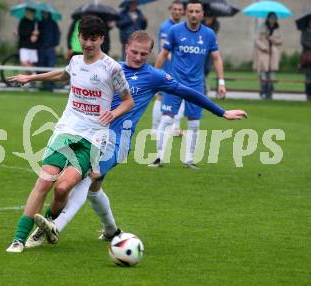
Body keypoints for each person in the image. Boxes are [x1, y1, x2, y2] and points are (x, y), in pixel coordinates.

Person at [25, 31, 247, 247]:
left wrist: (221, 112)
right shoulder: (110, 67)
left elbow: (186, 91)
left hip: (117, 141)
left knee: (87, 179)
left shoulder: (154, 76)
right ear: (126, 49)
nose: (138, 57)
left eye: (143, 54)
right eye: (134, 52)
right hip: (90, 135)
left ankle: (54, 226)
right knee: (95, 189)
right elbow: (71, 76)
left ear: (150, 54)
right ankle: (112, 230)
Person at [5, 16, 134, 253]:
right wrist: (30, 77)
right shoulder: (75, 61)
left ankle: (43, 226)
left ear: (102, 39)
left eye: (93, 39)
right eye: (84, 38)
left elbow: (128, 101)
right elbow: (62, 74)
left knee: (63, 189)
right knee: (44, 180)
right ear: (79, 37)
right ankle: (18, 239)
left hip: (93, 138)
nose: (88, 44)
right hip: (66, 130)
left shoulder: (111, 68)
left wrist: (113, 113)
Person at [151, 0, 226, 169]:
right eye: (190, 11)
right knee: (166, 119)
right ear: (186, 13)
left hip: (196, 85)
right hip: (175, 84)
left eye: (196, 11)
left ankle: (189, 160)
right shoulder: (174, 31)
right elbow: (163, 54)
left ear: (202, 14)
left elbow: (216, 58)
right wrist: (154, 78)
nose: (193, 14)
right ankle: (159, 157)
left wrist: (221, 82)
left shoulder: (209, 34)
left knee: (194, 122)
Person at [151, 0, 184, 137]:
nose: (177, 11)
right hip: (167, 69)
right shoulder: (167, 27)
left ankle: (174, 127)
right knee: (160, 96)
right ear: (171, 10)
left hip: (177, 71)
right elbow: (165, 49)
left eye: (179, 9)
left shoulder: (182, 27)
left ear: (183, 12)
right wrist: (179, 62)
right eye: (174, 9)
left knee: (179, 96)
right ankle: (154, 128)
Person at [254, 12, 282, 100]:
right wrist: (264, 47)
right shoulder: (262, 27)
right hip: (264, 54)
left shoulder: (277, 29)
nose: (272, 20)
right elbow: (257, 40)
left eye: (274, 18)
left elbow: (280, 41)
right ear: (268, 18)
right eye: (271, 18)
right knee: (263, 75)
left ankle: (270, 94)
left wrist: (272, 39)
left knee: (272, 76)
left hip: (273, 55)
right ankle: (262, 92)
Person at [37, 11, 60, 91]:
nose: (44, 14)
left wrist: (53, 44)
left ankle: (51, 85)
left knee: (50, 67)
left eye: (45, 13)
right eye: (43, 13)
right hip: (41, 48)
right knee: (41, 67)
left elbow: (57, 35)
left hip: (50, 48)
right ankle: (43, 85)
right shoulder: (39, 23)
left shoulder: (53, 23)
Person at [18, 8, 39, 73]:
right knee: (24, 62)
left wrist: (36, 35)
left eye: (32, 12)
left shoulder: (36, 21)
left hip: (33, 46)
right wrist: (31, 33)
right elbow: (21, 32)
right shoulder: (23, 21)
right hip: (24, 45)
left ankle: (31, 80)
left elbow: (39, 32)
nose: (30, 13)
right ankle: (34, 75)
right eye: (29, 12)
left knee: (31, 63)